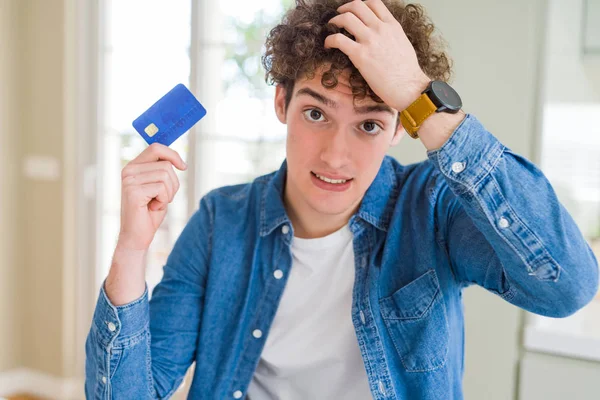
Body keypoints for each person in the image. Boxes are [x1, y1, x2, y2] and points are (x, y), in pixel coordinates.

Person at [85, 0, 599, 399]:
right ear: (282, 103)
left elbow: (567, 287)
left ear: (401, 126)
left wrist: (419, 91)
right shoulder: (222, 219)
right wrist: (131, 250)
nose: (336, 155)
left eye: (370, 123)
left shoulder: (431, 211)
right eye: (316, 113)